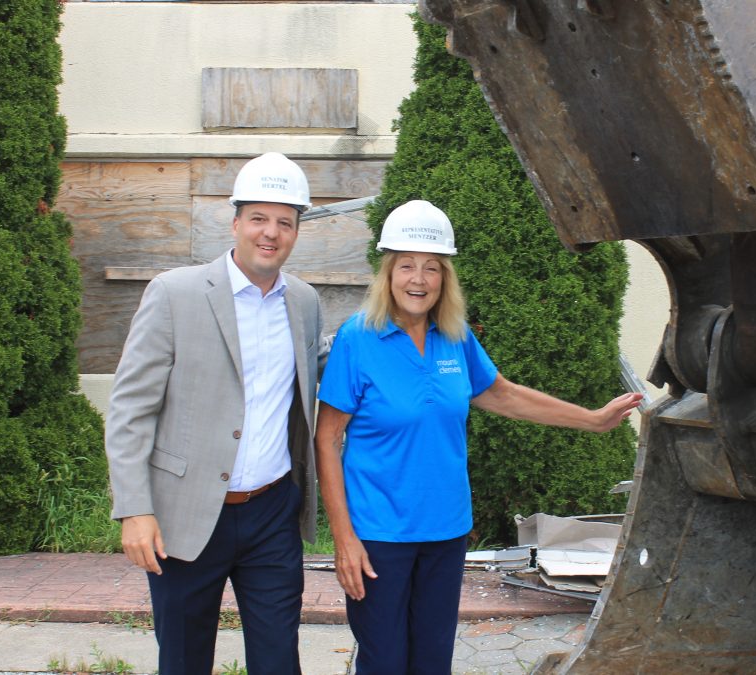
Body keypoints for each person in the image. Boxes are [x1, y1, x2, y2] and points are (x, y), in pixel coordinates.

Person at [314, 199, 642, 674]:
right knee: (384, 663)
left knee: (432, 663)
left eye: (431, 268)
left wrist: (592, 419)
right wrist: (344, 538)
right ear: (387, 272)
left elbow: (503, 395)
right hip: (379, 536)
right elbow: (326, 441)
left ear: (445, 277)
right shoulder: (357, 338)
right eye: (406, 266)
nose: (418, 279)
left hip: (445, 532)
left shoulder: (455, 336)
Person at [104, 152, 324, 675]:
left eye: (284, 222)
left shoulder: (306, 303)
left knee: (278, 661)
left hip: (272, 514)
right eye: (259, 218)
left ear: (295, 231)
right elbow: (130, 408)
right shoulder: (175, 293)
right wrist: (134, 508)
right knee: (183, 660)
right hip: (185, 514)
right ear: (236, 222)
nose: (270, 233)